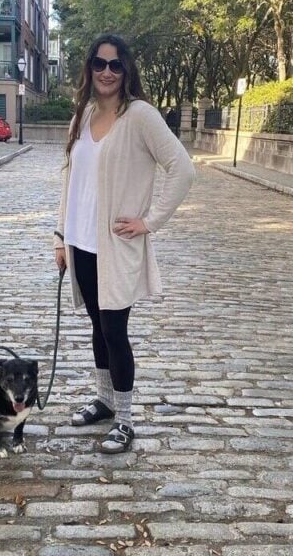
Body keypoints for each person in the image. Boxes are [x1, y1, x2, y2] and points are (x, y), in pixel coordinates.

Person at [53, 33, 195, 454]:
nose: (107, 72)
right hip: (81, 243)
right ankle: (103, 400)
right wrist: (61, 236)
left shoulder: (140, 116)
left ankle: (126, 419)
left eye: (115, 65)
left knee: (115, 330)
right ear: (90, 68)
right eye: (100, 63)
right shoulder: (83, 115)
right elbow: (69, 178)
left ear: (126, 69)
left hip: (115, 245)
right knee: (98, 326)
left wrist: (149, 221)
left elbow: (182, 168)